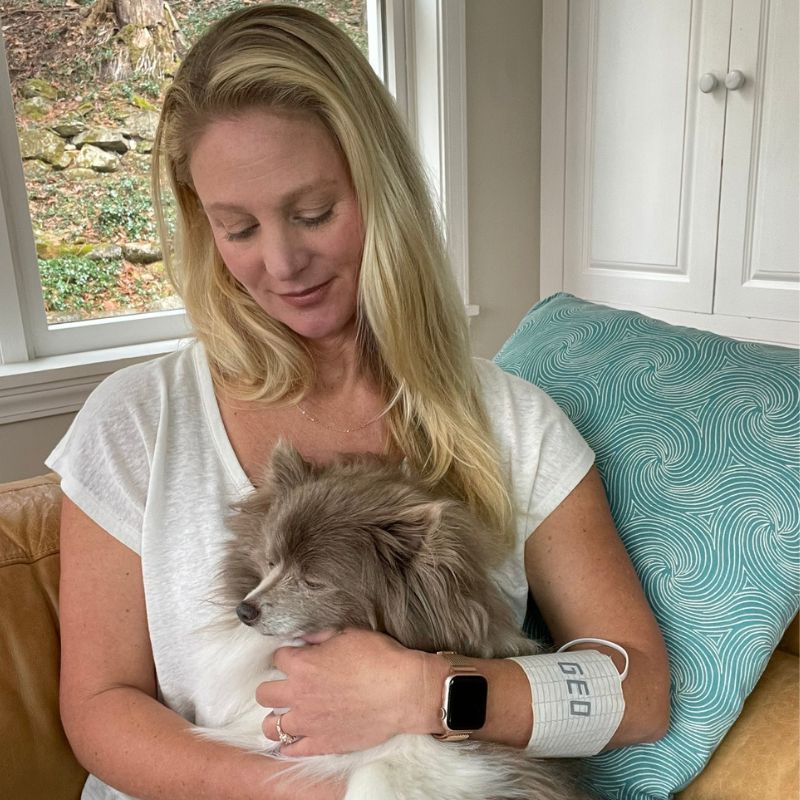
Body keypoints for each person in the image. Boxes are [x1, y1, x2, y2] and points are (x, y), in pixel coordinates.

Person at [51, 5, 670, 799]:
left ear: (383, 193)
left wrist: (429, 693)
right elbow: (100, 709)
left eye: (313, 214)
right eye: (238, 228)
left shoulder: (515, 424)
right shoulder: (136, 422)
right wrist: (321, 792)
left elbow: (638, 692)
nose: (283, 263)